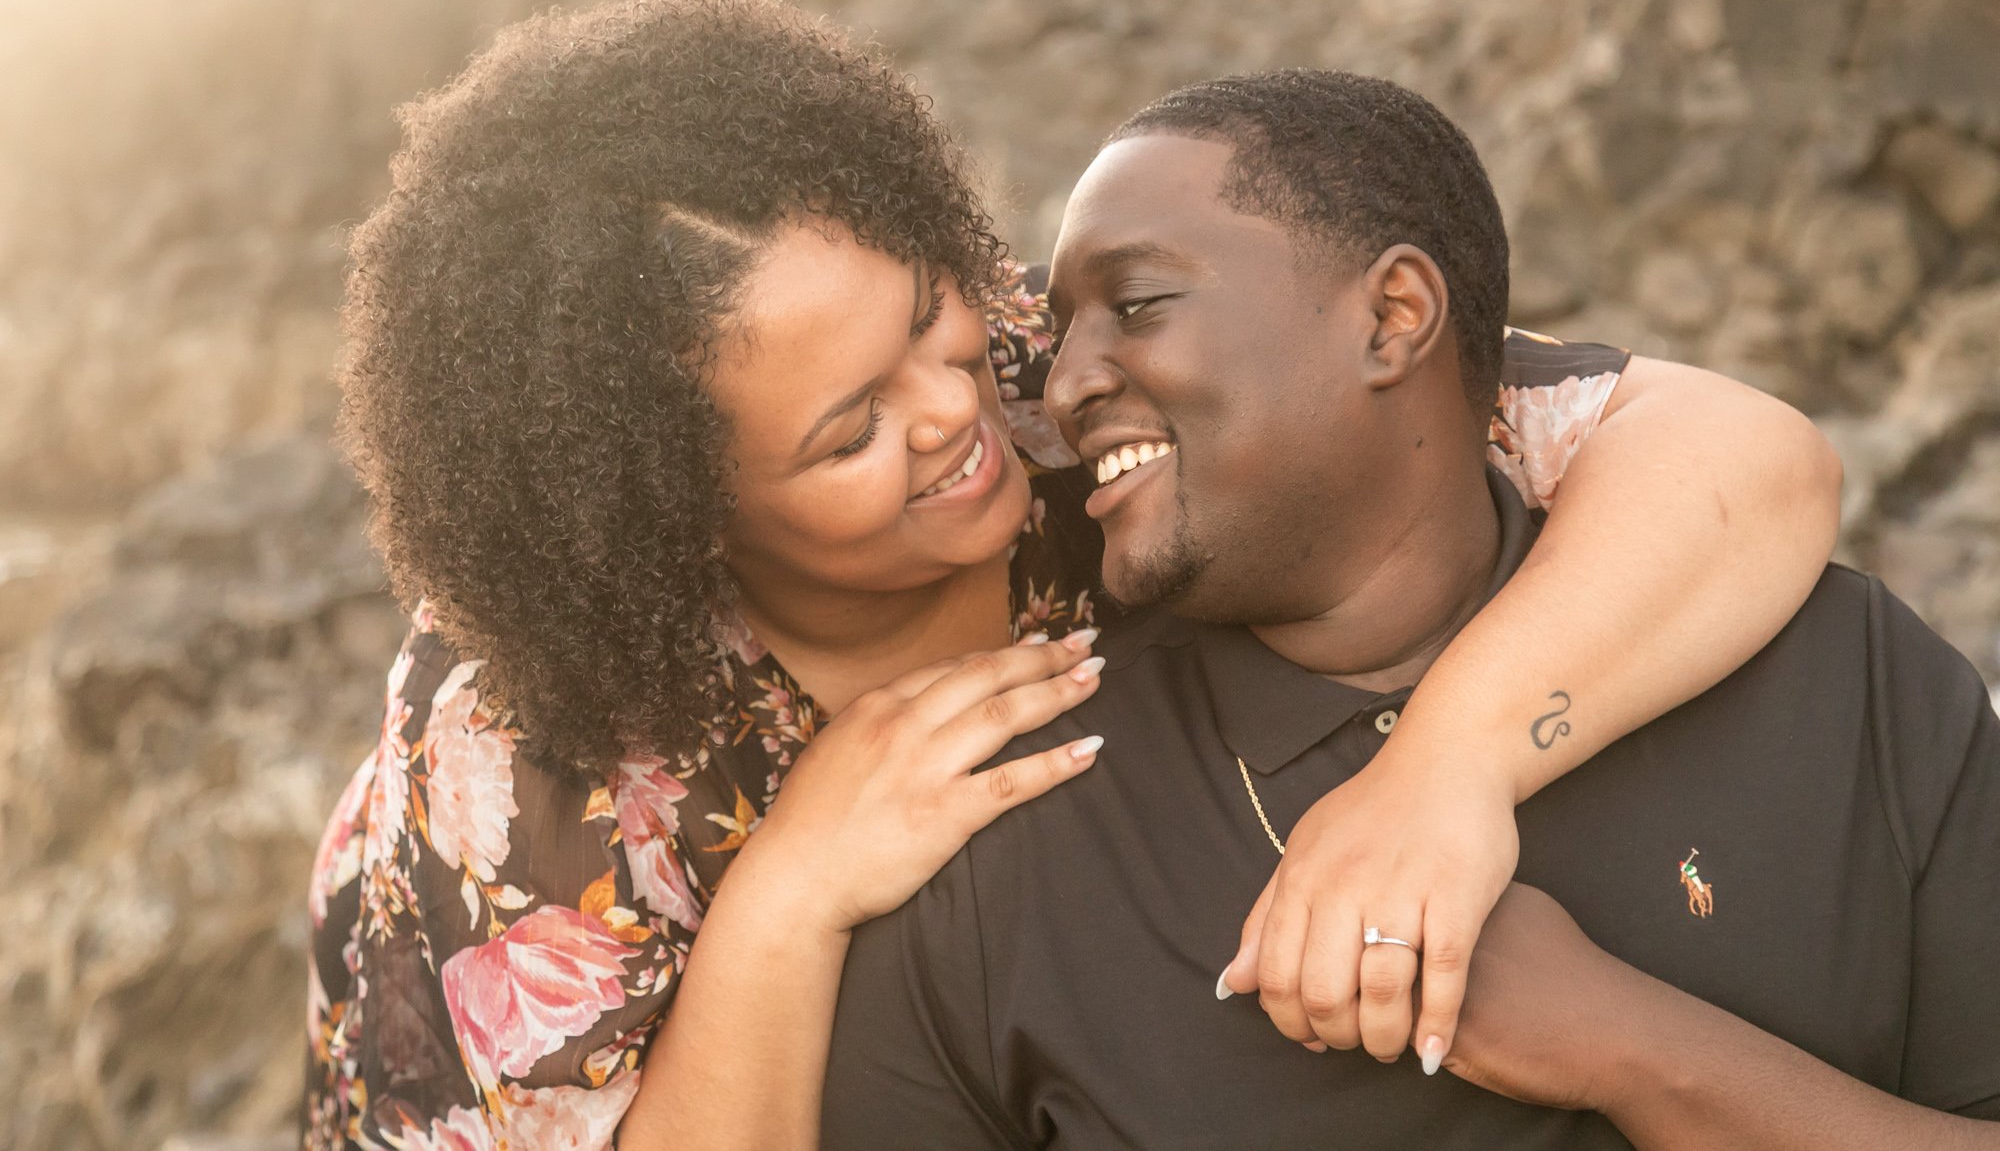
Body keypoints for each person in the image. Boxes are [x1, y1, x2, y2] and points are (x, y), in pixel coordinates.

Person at [302, 0, 1840, 1150]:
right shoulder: (522, 746)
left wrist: (1447, 772)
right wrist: (790, 891)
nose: (959, 411)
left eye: (924, 311)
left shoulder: (1069, 367)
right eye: (848, 434)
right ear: (680, 521)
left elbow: (1744, 464)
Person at [816, 71, 2000, 1148]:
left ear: (1391, 317)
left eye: (1136, 303)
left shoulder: (1848, 680)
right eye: (1061, 328)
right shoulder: (991, 850)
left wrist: (1641, 1053)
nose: (1062, 385)